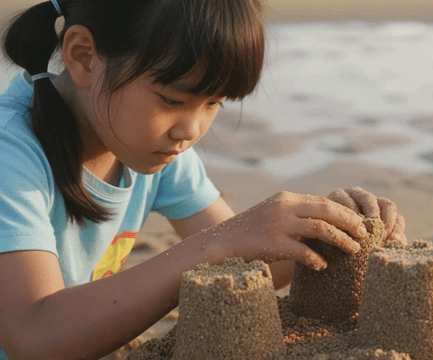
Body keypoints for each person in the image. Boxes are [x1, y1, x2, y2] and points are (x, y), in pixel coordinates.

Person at [0, 0, 407, 359]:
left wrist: (331, 230)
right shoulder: (11, 154)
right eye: (173, 100)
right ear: (84, 57)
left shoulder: (153, 145)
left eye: (213, 102)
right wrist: (215, 245)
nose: (190, 129)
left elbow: (256, 258)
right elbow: (33, 338)